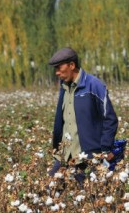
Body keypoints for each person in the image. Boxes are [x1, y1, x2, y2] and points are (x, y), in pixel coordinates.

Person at [49, 47, 121, 183]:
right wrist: (56, 147)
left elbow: (110, 119)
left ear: (72, 65)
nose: (57, 73)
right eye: (55, 69)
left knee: (91, 197)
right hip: (64, 155)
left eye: (59, 68)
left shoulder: (94, 85)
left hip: (88, 155)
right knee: (50, 192)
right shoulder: (64, 87)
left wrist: (105, 148)